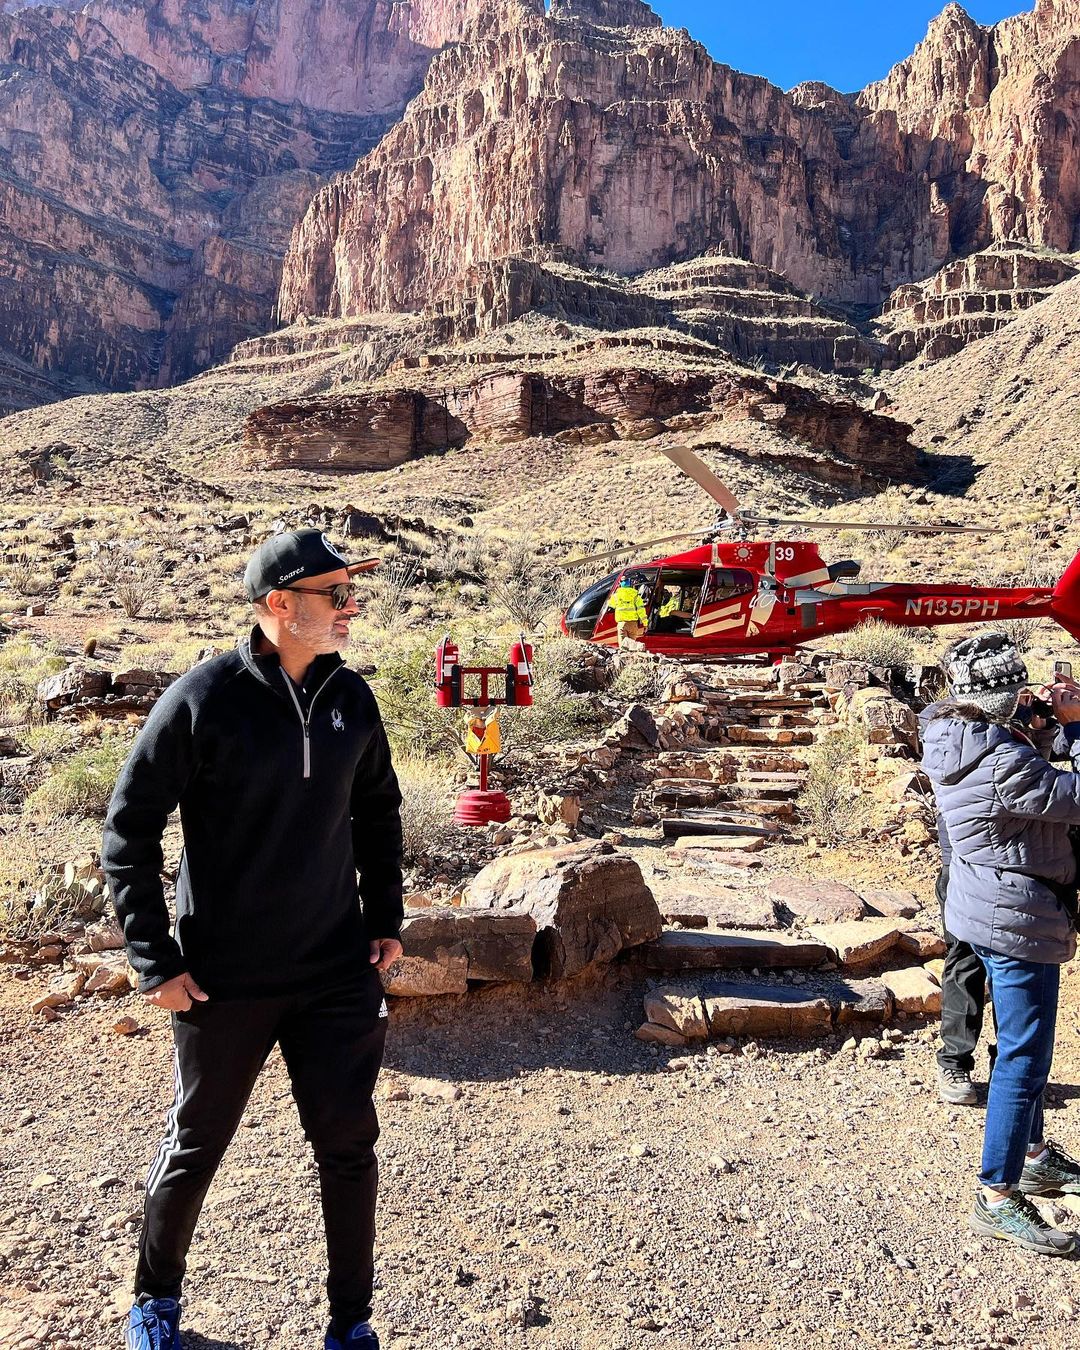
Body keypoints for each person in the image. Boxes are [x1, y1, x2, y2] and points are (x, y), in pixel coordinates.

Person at [102, 529, 404, 1350]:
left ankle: (351, 1324)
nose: (351, 608)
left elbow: (377, 812)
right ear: (279, 606)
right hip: (223, 978)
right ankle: (155, 1303)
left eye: (351, 593)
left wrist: (384, 919)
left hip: (336, 970)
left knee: (348, 1145)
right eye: (334, 595)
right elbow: (128, 829)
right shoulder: (204, 697)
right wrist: (153, 960)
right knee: (197, 1144)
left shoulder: (353, 699)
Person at [922, 632, 1080, 1254]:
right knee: (1023, 1057)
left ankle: (1034, 1155)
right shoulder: (1003, 763)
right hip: (1018, 920)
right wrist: (1074, 725)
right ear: (1001, 696)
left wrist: (1039, 727)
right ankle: (998, 1194)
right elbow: (1066, 796)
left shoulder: (953, 736)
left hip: (982, 907)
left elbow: (1022, 789)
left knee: (1018, 1044)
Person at [608, 571, 650, 647]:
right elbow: (641, 611)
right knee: (632, 646)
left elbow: (611, 605)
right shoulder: (636, 595)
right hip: (633, 624)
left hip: (622, 624)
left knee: (623, 647)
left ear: (620, 584)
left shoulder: (616, 596)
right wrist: (645, 624)